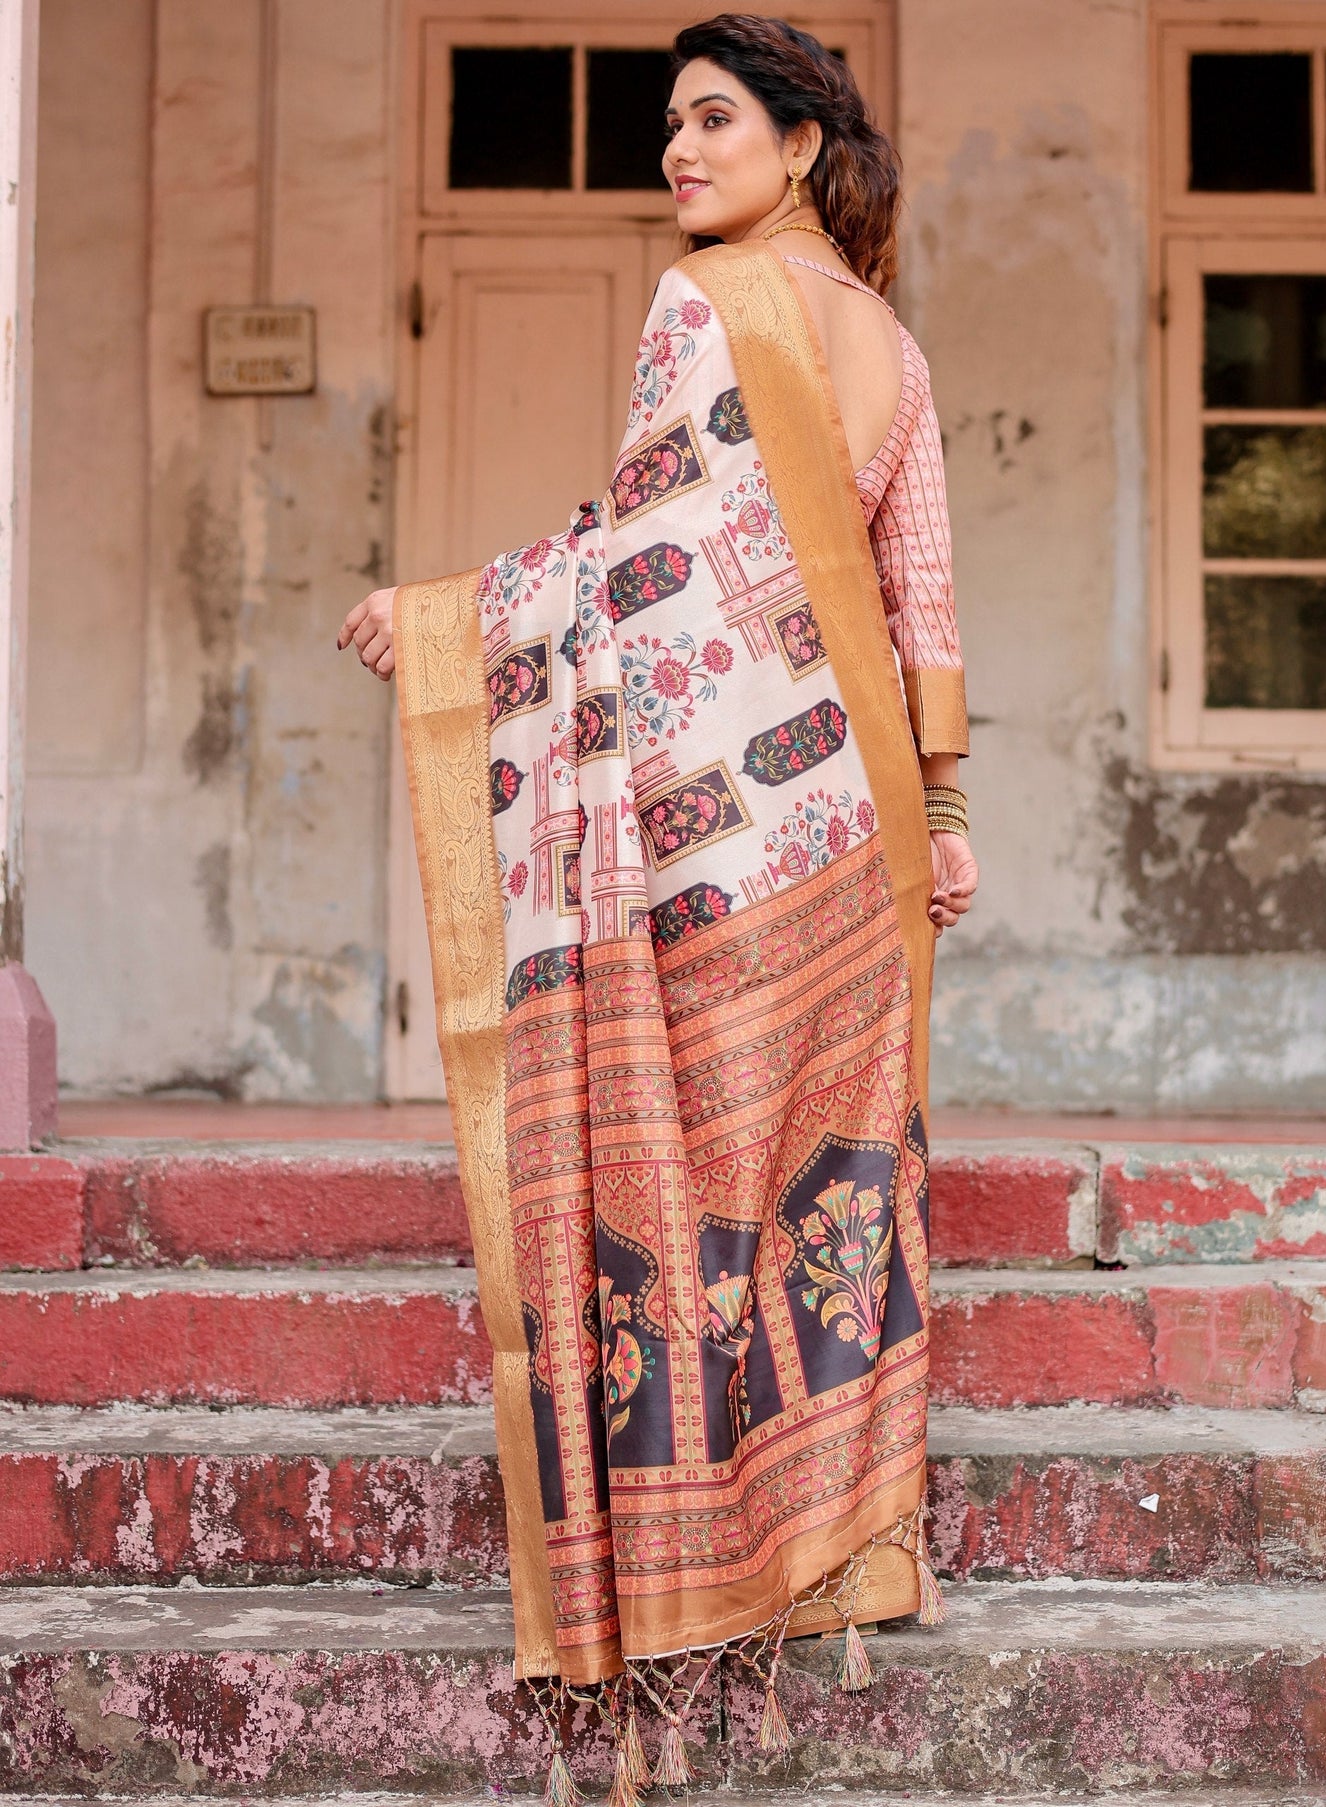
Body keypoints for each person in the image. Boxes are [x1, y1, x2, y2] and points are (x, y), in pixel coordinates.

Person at [340, 14, 976, 1801]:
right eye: (669, 127)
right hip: (850, 814)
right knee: (825, 1173)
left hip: (716, 822)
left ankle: (702, 1558)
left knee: (684, 1169)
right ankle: (839, 1551)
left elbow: (646, 546)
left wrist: (445, 619)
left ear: (799, 141)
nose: (678, 153)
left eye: (711, 120)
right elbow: (923, 593)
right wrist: (943, 811)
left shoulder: (707, 302)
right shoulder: (891, 339)